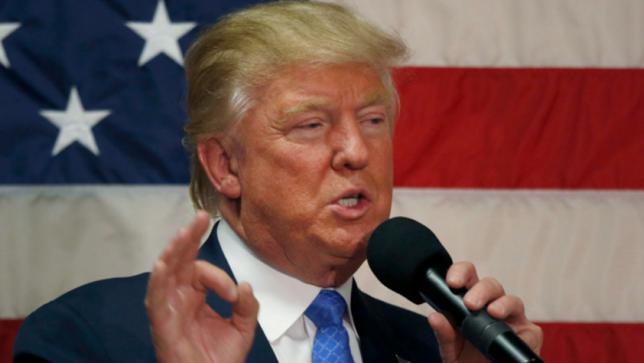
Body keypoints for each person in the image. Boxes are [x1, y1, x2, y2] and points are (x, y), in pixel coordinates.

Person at [14, 2, 543, 362]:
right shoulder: (89, 337)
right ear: (225, 166)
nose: (357, 152)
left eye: (373, 121)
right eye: (311, 126)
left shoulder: (432, 348)